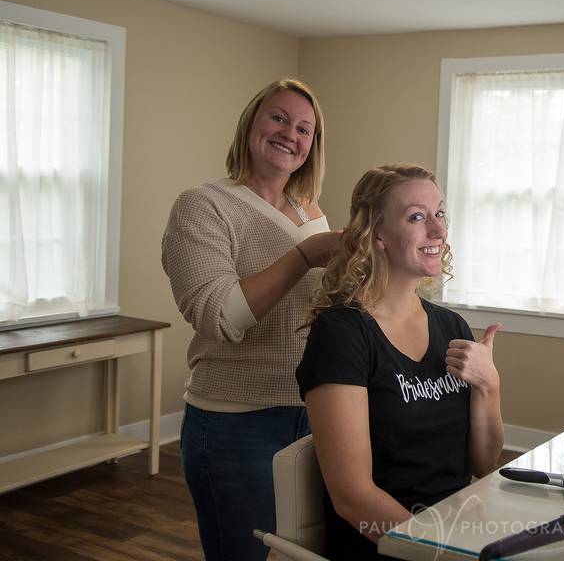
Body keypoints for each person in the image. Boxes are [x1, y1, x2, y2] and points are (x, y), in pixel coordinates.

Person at [161, 79, 341, 561]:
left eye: (305, 129)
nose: (290, 134)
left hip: (315, 409)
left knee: (303, 549)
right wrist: (305, 255)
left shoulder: (309, 211)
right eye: (278, 118)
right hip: (237, 421)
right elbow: (219, 316)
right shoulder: (202, 206)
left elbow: (317, 307)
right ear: (250, 125)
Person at [296, 164, 504, 560]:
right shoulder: (342, 335)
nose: (439, 231)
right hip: (390, 544)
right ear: (377, 235)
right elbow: (353, 498)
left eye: (440, 213)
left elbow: (482, 461)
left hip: (459, 530)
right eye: (416, 217)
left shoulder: (451, 326)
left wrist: (489, 385)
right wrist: (440, 550)